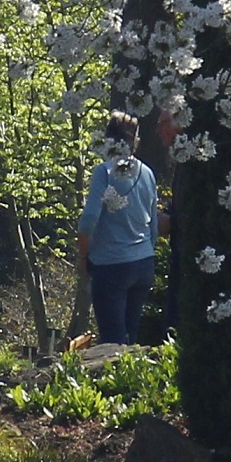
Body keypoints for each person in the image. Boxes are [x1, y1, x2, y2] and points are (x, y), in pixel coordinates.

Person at [78, 112, 162, 344]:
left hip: (111, 264)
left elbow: (88, 220)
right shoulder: (147, 173)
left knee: (112, 340)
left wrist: (83, 256)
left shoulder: (104, 172)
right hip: (143, 262)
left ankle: (111, 379)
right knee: (131, 335)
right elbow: (153, 225)